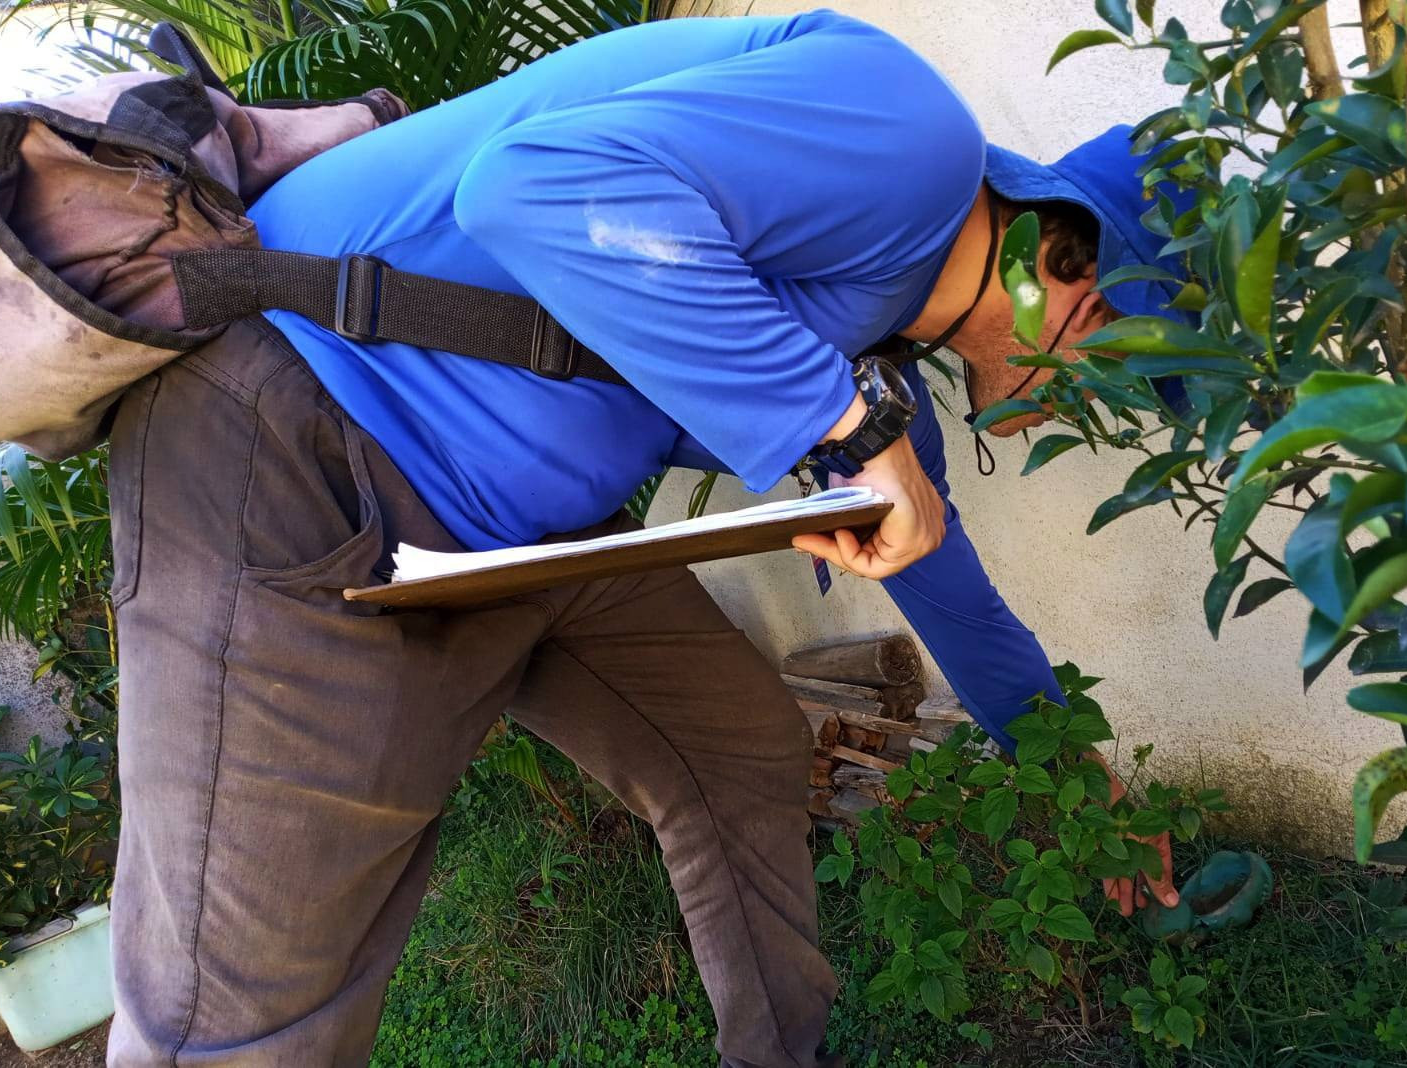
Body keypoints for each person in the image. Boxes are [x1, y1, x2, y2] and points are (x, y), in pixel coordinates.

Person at [103, 10, 1192, 1067]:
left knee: (733, 752)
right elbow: (529, 190)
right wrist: (851, 426)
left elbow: (949, 589)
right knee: (240, 993)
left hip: (522, 539)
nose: (1104, 396)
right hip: (304, 444)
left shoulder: (872, 350)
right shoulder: (908, 136)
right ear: (1063, 270)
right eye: (1122, 349)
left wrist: (1072, 776)